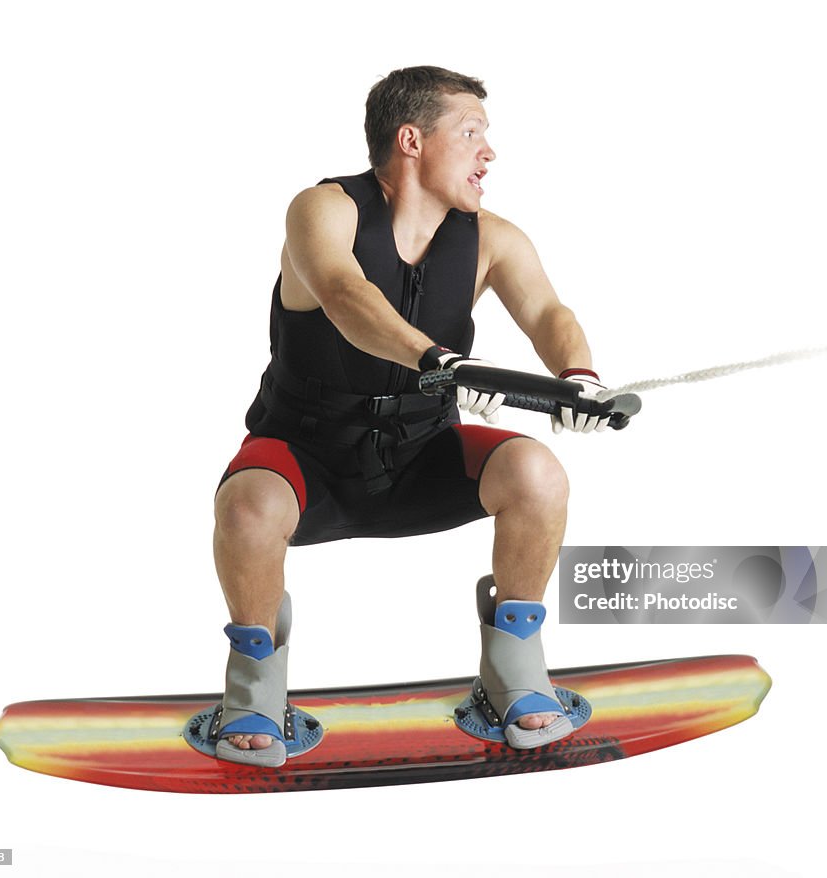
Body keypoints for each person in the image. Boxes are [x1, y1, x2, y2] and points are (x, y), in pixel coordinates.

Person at [212, 66, 610, 767]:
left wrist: (576, 379)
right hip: (308, 461)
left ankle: (513, 672)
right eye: (472, 132)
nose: (490, 152)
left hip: (423, 456)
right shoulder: (323, 209)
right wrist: (443, 362)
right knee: (245, 507)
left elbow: (549, 313)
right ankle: (255, 688)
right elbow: (341, 292)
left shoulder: (493, 237)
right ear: (412, 140)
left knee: (537, 475)